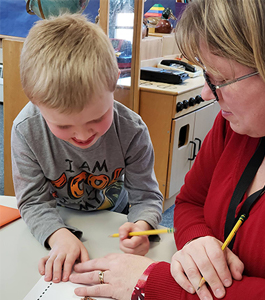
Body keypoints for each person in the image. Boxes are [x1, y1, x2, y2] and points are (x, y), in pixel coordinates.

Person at [68, 0, 265, 299]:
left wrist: (151, 282)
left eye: (222, 79)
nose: (206, 93)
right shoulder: (234, 128)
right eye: (208, 77)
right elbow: (188, 203)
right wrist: (198, 241)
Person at [12, 13, 163, 284]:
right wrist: (58, 235)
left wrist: (143, 227)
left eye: (96, 118)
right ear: (34, 101)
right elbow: (33, 200)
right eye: (63, 126)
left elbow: (147, 196)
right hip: (57, 220)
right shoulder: (26, 130)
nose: (83, 135)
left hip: (114, 224)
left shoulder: (132, 130)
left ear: (115, 81)